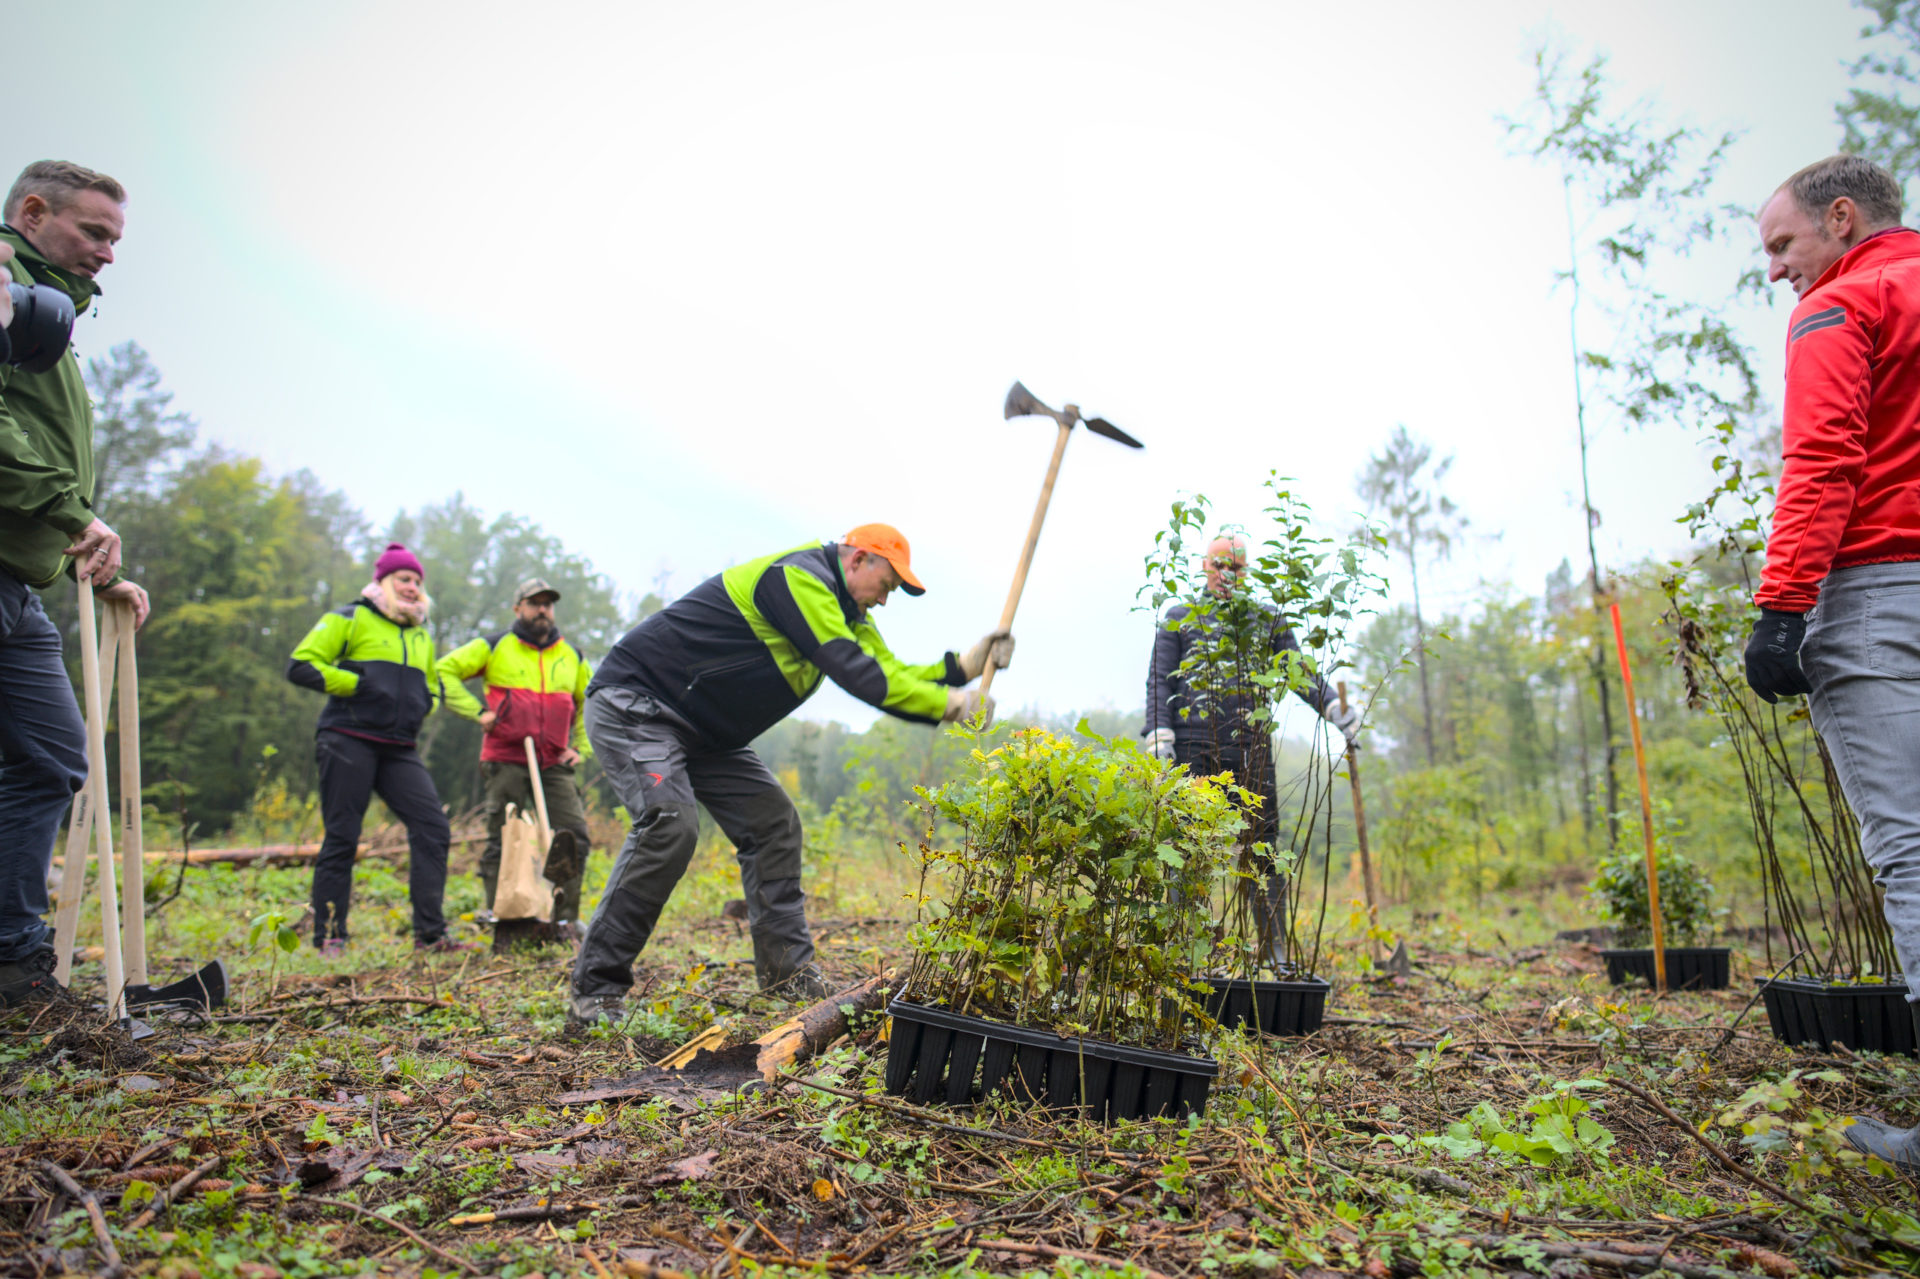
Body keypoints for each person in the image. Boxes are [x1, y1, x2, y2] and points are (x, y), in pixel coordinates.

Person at [569, 524, 1010, 1024]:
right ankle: (596, 991)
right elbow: (858, 674)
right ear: (859, 560)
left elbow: (891, 672)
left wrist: (963, 669)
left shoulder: (851, 616)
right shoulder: (797, 580)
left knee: (772, 824)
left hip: (707, 734)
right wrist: (951, 706)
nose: (886, 601)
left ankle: (787, 977)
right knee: (668, 824)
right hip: (639, 705)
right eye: (887, 585)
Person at [1744, 154, 1920, 1170]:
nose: (1777, 271)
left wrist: (1781, 609)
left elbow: (1823, 460)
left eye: (1783, 246)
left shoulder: (1840, 309)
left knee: (1910, 847)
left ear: (1841, 220)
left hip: (1879, 596)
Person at [0, 161, 148, 1007]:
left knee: (54, 755)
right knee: (47, 755)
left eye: (114, 239)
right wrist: (70, 513)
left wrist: (96, 566)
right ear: (32, 211)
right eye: (94, 232)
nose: (108, 254)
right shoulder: (5, 287)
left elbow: (41, 450)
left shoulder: (47, 313)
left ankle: (16, 961)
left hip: (20, 575)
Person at [1143, 533, 1360, 964]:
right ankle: (1183, 948)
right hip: (1191, 747)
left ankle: (1274, 947)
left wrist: (1335, 707)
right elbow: (1159, 680)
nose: (1226, 575)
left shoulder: (1266, 618)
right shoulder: (1179, 617)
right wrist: (1159, 736)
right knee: (1185, 846)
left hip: (1250, 747)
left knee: (1262, 842)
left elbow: (1299, 674)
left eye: (1236, 568)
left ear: (1246, 571)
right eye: (1218, 565)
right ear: (1204, 566)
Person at [287, 543, 471, 954]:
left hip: (399, 748)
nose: (412, 587)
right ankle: (331, 936)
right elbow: (301, 664)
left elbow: (431, 686)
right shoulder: (350, 617)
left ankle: (430, 935)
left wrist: (426, 704)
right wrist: (356, 685)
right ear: (382, 582)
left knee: (433, 828)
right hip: (347, 738)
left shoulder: (420, 633)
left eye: (418, 582)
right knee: (343, 836)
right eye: (404, 579)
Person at [437, 576, 594, 929]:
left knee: (572, 836)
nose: (542, 609)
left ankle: (564, 920)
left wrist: (580, 748)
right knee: (504, 837)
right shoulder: (494, 646)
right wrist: (478, 712)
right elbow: (443, 670)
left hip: (554, 761)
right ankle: (502, 915)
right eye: (534, 602)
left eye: (547, 603)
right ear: (517, 608)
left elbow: (589, 703)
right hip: (505, 758)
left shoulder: (572, 656)